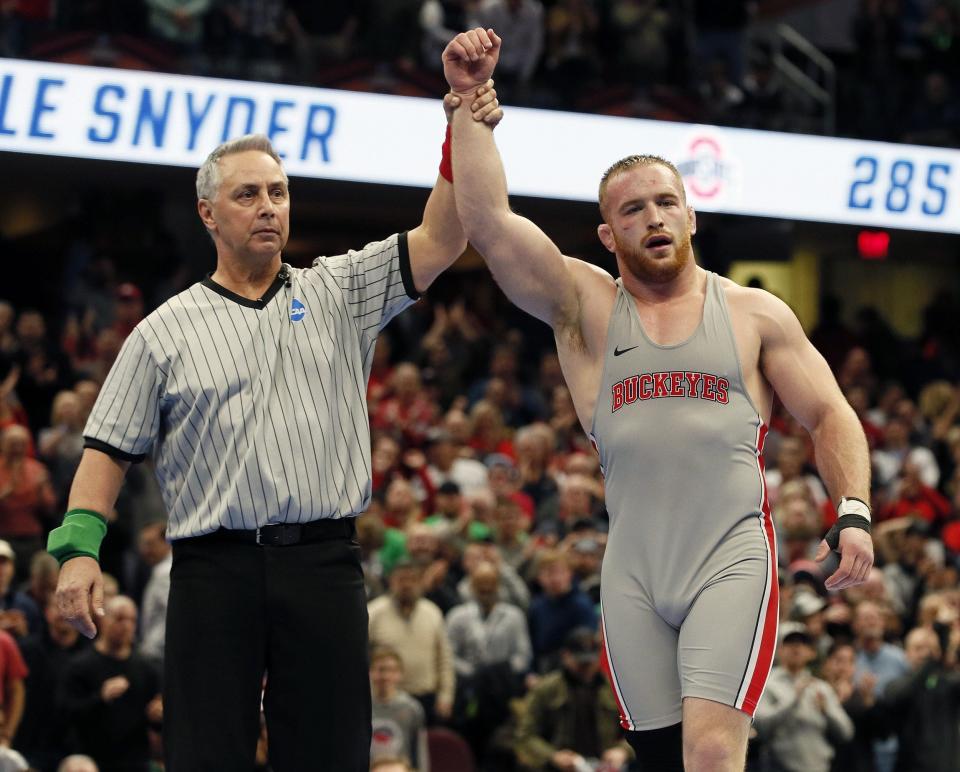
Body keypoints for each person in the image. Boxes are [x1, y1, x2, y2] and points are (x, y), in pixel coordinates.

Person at [48, 60, 505, 771]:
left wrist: (460, 123)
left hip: (322, 562)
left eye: (279, 192)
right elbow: (106, 452)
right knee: (205, 755)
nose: (269, 206)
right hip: (211, 569)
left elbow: (442, 238)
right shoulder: (164, 330)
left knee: (328, 754)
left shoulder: (341, 289)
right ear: (208, 213)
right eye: (249, 194)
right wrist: (78, 551)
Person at [443, 27, 874, 771]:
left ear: (692, 216)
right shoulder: (585, 307)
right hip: (635, 568)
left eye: (667, 202)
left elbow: (832, 413)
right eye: (634, 210)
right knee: (660, 758)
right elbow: (486, 223)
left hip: (730, 557)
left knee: (711, 754)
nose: (654, 217)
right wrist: (466, 106)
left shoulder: (753, 314)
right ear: (609, 235)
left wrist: (856, 513)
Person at [58, 596, 160, 772]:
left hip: (135, 762)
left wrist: (157, 715)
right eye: (120, 618)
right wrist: (100, 698)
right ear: (104, 620)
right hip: (93, 760)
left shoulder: (147, 669)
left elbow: (154, 721)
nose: (126, 626)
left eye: (132, 620)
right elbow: (66, 714)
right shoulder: (80, 666)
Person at [514, 627, 632, 772]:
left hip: (606, 766)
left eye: (590, 662)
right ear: (565, 656)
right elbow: (525, 735)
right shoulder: (546, 690)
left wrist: (623, 751)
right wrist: (553, 756)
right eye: (580, 662)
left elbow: (637, 728)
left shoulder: (615, 688)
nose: (586, 668)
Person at [752, 625, 853, 771]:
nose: (796, 647)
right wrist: (794, 699)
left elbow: (846, 733)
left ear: (812, 652)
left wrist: (827, 711)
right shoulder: (766, 684)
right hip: (778, 767)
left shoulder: (821, 688)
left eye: (802, 643)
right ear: (779, 650)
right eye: (790, 642)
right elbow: (761, 728)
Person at [368, 559, 456, 726]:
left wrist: (446, 696)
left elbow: (444, 659)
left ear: (420, 582)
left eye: (412, 579)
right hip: (386, 699)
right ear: (391, 581)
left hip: (427, 698)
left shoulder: (432, 613)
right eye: (401, 579)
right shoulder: (373, 613)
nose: (407, 585)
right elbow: (361, 659)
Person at [369, 646, 429, 770]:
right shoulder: (363, 709)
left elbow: (420, 753)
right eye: (380, 670)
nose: (385, 676)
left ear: (400, 674)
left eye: (391, 670)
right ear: (371, 672)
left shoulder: (411, 708)